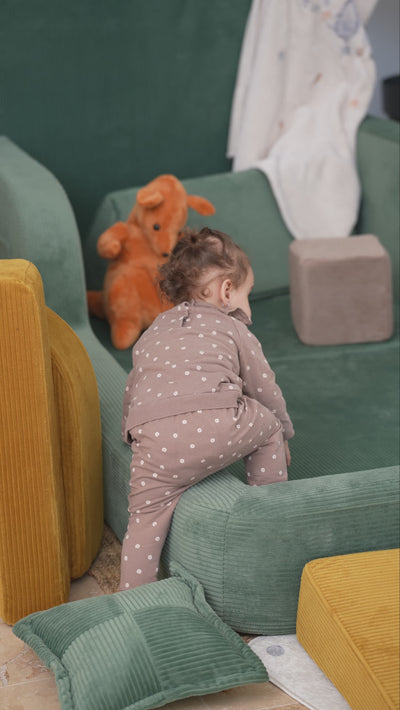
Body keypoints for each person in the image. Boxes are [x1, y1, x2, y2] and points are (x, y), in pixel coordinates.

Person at [119, 227, 294, 590]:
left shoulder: (152, 332)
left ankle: (133, 597)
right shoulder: (233, 328)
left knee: (142, 522)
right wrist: (283, 433)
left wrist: (130, 434)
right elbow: (264, 387)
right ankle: (270, 507)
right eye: (247, 294)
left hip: (153, 443)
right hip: (216, 427)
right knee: (268, 424)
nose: (247, 303)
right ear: (227, 291)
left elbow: (134, 387)